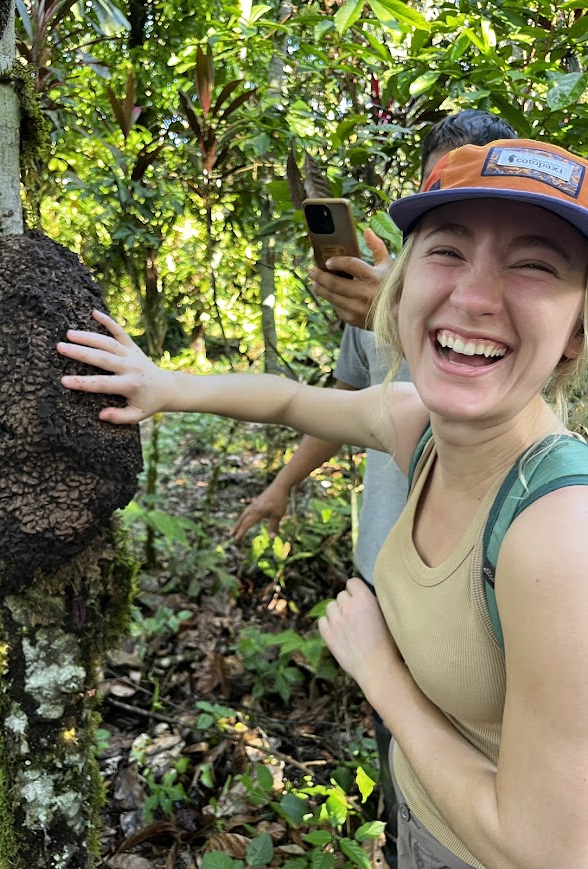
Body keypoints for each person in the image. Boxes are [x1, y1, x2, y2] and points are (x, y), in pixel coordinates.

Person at [58, 137, 588, 869]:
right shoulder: (418, 427)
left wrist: (379, 672)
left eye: (533, 264)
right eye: (446, 250)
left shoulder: (558, 535)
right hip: (419, 817)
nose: (473, 295)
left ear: (575, 332)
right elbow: (289, 400)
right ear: (399, 287)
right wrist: (163, 385)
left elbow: (546, 849)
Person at [231, 110, 518, 591]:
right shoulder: (375, 293)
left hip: (476, 579)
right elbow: (341, 408)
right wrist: (282, 486)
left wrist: (397, 320)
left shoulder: (515, 309)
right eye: (444, 188)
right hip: (380, 561)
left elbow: (522, 418)